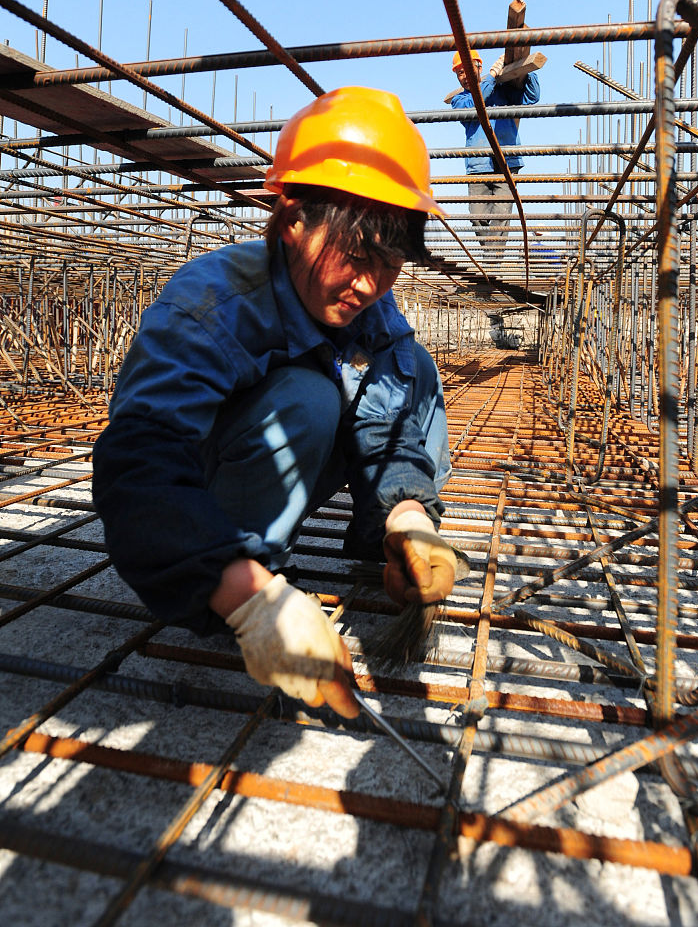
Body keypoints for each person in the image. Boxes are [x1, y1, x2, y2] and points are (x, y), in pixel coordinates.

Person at [92, 87, 456, 721]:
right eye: (356, 254)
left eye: (391, 261)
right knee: (310, 399)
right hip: (193, 503)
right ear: (293, 220)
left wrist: (404, 513)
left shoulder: (369, 305)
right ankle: (226, 583)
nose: (370, 283)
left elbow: (388, 415)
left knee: (412, 368)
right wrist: (249, 599)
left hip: (274, 472)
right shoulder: (211, 306)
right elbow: (137, 464)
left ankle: (374, 538)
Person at [449, 49, 540, 259]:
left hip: (506, 161)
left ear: (479, 67)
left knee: (501, 215)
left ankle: (493, 263)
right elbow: (477, 104)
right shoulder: (459, 100)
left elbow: (532, 97)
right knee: (477, 216)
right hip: (479, 165)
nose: (464, 76)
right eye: (459, 73)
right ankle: (491, 257)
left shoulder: (503, 91)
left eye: (467, 70)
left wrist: (523, 69)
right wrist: (491, 76)